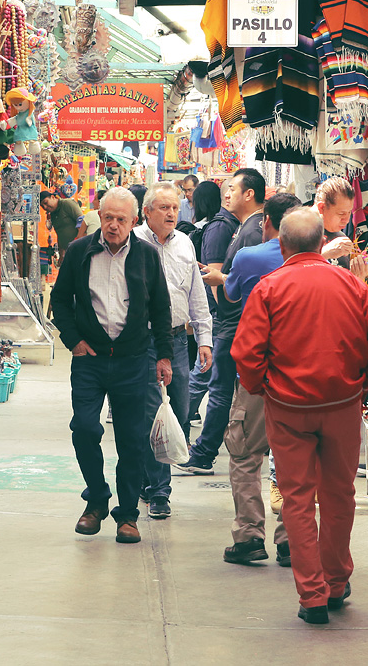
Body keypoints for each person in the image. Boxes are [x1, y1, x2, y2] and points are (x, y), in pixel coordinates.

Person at [232, 208, 368, 624]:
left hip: (288, 409)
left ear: (283, 245)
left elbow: (246, 355)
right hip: (341, 406)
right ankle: (337, 583)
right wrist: (360, 385)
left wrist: (264, 387)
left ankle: (312, 596)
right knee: (340, 496)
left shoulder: (269, 288)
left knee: (298, 500)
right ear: (320, 242)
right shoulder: (351, 285)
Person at [48, 187, 174, 544]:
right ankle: (97, 500)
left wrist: (163, 356)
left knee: (133, 440)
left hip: (134, 360)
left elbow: (161, 308)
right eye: (108, 218)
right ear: (98, 217)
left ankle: (128, 515)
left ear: (134, 221)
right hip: (90, 360)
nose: (113, 225)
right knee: (85, 428)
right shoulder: (79, 251)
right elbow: (60, 299)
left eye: (121, 219)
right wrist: (73, 340)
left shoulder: (147, 256)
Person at [219, 192, 301, 566]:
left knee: (245, 455)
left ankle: (250, 534)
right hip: (299, 380)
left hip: (256, 375)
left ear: (267, 220)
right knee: (292, 461)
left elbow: (231, 295)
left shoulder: (249, 258)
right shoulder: (322, 268)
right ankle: (291, 539)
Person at [176, 167, 266, 475]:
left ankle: (204, 452)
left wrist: (220, 279)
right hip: (232, 318)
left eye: (232, 189)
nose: (226, 194)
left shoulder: (253, 231)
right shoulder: (243, 226)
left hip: (236, 319)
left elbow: (251, 280)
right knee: (221, 386)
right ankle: (208, 448)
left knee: (220, 387)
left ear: (248, 194)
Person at [133, 182, 213, 519]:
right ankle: (159, 492)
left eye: (175, 208)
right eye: (163, 208)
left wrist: (204, 337)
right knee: (155, 413)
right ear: (147, 212)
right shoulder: (133, 241)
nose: (171, 214)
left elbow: (196, 292)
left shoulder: (184, 245)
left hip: (180, 340)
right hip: (146, 341)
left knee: (179, 414)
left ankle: (145, 477)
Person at [184, 178, 225, 423]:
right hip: (211, 305)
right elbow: (213, 273)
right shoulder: (217, 228)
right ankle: (181, 416)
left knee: (202, 363)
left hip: (206, 304)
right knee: (203, 366)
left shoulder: (207, 227)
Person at [41, 190, 84, 256]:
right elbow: (60, 234)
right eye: (42, 206)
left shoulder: (67, 204)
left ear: (52, 197)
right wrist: (61, 255)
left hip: (79, 248)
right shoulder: (53, 214)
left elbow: (82, 222)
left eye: (46, 203)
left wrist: (79, 241)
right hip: (68, 251)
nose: (45, 207)